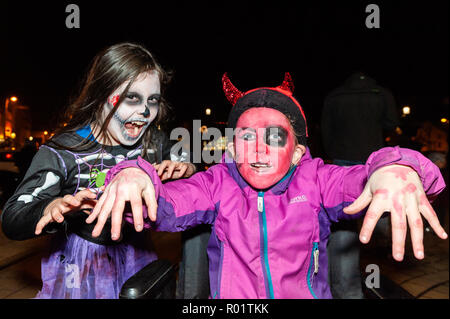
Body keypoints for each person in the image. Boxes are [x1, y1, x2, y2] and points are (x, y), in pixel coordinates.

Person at [88, 73, 447, 299]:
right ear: (230, 147)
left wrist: (396, 167)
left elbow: (360, 178)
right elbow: (164, 203)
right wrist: (134, 174)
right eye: (246, 137)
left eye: (275, 137)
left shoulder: (318, 180)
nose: (258, 149)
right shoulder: (217, 183)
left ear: (297, 153)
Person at [0, 43, 195, 299]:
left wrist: (186, 168)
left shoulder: (153, 142)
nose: (146, 111)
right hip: (80, 268)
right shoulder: (64, 150)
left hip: (137, 258)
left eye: (153, 100)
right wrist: (50, 208)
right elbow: (12, 217)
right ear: (100, 94)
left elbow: (191, 168)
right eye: (132, 98)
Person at [321, 72, 400, 298]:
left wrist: (334, 151)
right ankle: (381, 240)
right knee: (379, 206)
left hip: (343, 162)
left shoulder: (335, 96)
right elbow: (392, 122)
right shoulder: (381, 94)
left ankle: (345, 283)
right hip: (371, 161)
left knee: (344, 221)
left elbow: (326, 129)